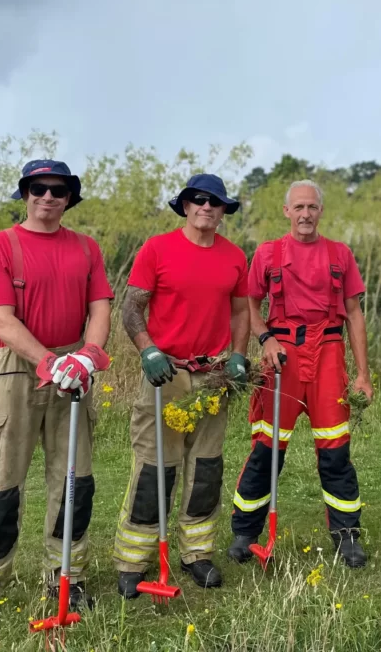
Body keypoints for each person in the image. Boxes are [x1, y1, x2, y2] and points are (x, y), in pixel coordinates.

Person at [0, 159, 115, 639]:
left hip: (73, 373)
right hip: (15, 372)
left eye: (58, 190)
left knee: (75, 483)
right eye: (38, 188)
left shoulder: (86, 248)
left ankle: (67, 577)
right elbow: (1, 319)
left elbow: (100, 307)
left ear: (69, 197)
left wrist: (87, 355)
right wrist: (49, 362)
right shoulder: (0, 245)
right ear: (25, 194)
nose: (48, 197)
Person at [111, 173, 251, 597]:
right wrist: (148, 351)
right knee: (156, 467)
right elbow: (131, 308)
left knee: (206, 468)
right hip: (166, 372)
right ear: (185, 206)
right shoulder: (157, 249)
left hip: (214, 376)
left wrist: (239, 356)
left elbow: (241, 312)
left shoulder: (234, 257)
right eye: (198, 200)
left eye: (216, 202)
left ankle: (197, 554)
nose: (207, 207)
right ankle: (133, 560)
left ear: (224, 211)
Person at [228, 179, 373, 569]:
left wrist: (363, 374)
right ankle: (245, 531)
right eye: (299, 207)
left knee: (336, 450)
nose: (305, 214)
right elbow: (249, 306)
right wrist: (265, 340)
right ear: (286, 211)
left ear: (320, 211)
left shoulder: (340, 255)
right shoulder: (268, 253)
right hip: (283, 356)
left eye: (312, 207)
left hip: (328, 352)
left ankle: (347, 535)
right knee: (267, 448)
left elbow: (355, 314)